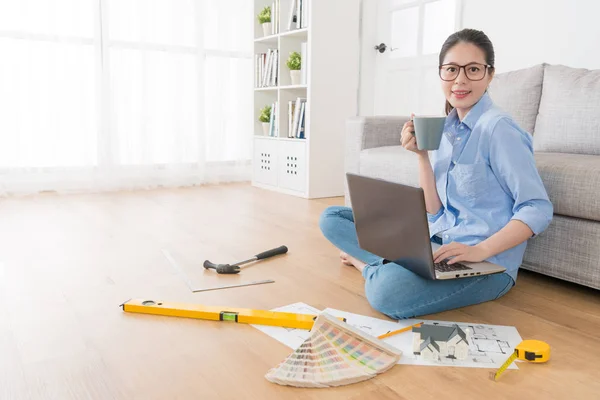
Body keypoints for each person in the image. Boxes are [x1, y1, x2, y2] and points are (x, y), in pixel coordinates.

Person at [319, 28, 553, 320]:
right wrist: (422, 157)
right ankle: (397, 263)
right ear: (441, 74)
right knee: (332, 217)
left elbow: (537, 208)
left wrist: (480, 250)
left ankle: (368, 266)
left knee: (386, 294)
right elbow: (435, 211)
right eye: (452, 70)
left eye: (473, 70)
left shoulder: (499, 130)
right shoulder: (447, 128)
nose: (460, 80)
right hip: (439, 245)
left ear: (490, 75)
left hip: (487, 265)